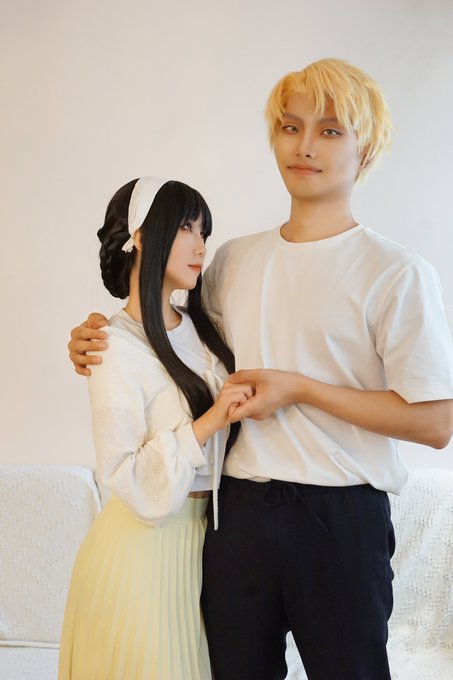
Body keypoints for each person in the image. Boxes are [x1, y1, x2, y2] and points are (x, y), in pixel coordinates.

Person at [68, 59, 453, 680]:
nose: (304, 146)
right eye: (290, 127)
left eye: (330, 131)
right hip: (235, 516)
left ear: (366, 150)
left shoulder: (396, 272)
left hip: (341, 518)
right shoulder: (230, 262)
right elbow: (166, 343)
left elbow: (436, 423)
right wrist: (95, 336)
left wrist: (301, 389)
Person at [59, 176, 252, 680]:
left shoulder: (205, 327)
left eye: (204, 232)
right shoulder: (111, 345)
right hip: (141, 552)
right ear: (141, 236)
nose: (200, 246)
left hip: (207, 547)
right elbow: (122, 471)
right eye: (186, 227)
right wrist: (210, 422)